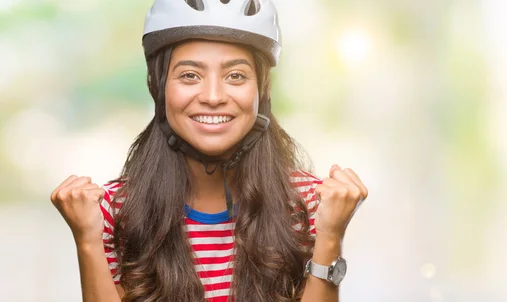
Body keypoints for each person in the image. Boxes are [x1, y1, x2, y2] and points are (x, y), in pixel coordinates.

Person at [50, 0, 368, 301]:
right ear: (158, 86)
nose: (213, 96)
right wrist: (89, 241)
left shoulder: (310, 205)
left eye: (235, 76)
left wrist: (330, 236)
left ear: (263, 89)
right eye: (190, 75)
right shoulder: (110, 212)